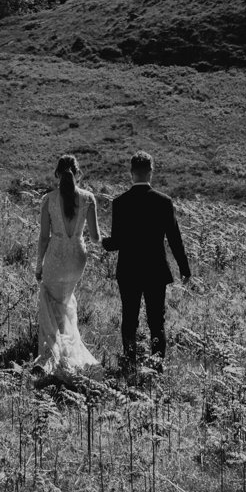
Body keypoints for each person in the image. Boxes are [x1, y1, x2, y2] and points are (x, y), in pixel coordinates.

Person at [102, 149, 191, 362]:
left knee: (130, 318)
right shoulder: (163, 201)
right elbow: (174, 239)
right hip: (155, 269)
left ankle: (129, 362)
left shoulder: (120, 202)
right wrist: (184, 268)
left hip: (129, 269)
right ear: (151, 172)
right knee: (156, 321)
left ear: (131, 173)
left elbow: (117, 242)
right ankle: (157, 365)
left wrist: (104, 242)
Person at [34, 153, 102, 376]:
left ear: (56, 173)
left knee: (51, 300)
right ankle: (64, 347)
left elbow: (44, 237)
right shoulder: (88, 198)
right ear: (78, 173)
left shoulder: (49, 200)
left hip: (56, 256)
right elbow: (94, 237)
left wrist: (38, 265)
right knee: (64, 300)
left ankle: (52, 354)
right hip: (77, 258)